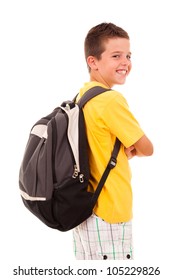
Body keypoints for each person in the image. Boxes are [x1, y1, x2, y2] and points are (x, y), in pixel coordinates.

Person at [73, 22, 153, 260]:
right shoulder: (110, 100)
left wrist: (125, 150)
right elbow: (147, 148)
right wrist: (135, 149)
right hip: (110, 210)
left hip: (86, 211)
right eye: (116, 55)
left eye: (128, 55)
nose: (125, 62)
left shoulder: (83, 96)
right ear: (93, 61)